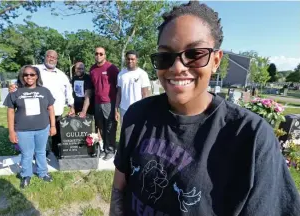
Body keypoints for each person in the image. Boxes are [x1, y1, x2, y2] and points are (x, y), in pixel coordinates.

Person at [110, 2, 300, 216]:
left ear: (216, 60)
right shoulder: (138, 115)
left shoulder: (250, 137)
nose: (177, 67)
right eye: (165, 56)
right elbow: (119, 188)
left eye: (194, 54)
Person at [9, 50, 74, 158]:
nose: (51, 59)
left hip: (55, 109)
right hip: (36, 111)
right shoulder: (35, 69)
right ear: (45, 57)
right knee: (37, 134)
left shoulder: (62, 75)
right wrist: (13, 86)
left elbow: (68, 91)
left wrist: (71, 106)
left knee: (55, 133)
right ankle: (37, 153)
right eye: (49, 56)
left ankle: (56, 152)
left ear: (57, 59)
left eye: (54, 57)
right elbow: (20, 80)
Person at [4, 65, 56, 188]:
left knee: (41, 152)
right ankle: (26, 175)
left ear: (37, 76)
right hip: (23, 130)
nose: (29, 77)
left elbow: (51, 108)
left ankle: (42, 173)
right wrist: (11, 131)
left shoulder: (44, 91)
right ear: (22, 77)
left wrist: (53, 125)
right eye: (26, 74)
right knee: (27, 154)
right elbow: (10, 112)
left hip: (42, 128)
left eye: (32, 74)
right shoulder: (15, 92)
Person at [90, 47, 119, 160]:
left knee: (110, 127)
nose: (98, 55)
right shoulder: (92, 69)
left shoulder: (111, 68)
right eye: (96, 53)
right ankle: (103, 149)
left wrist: (116, 105)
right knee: (100, 127)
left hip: (109, 102)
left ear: (105, 55)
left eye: (101, 54)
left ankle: (110, 150)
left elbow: (118, 86)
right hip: (97, 102)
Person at [115, 50, 151, 123]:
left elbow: (145, 94)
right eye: (128, 59)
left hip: (138, 109)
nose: (130, 61)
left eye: (132, 59)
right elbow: (119, 93)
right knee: (125, 132)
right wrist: (116, 109)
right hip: (124, 109)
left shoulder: (142, 74)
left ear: (136, 60)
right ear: (126, 59)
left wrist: (145, 110)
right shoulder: (121, 74)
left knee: (138, 132)